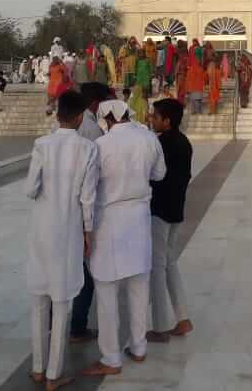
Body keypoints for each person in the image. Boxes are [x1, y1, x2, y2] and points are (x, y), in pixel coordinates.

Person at [83, 100, 166, 377]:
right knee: (138, 284)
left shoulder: (101, 146)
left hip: (109, 220)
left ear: (107, 118)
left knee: (107, 290)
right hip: (139, 217)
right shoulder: (149, 138)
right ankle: (139, 347)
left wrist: (85, 226)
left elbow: (90, 188)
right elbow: (160, 174)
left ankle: (111, 357)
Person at [26, 90, 99, 389]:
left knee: (39, 300)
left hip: (41, 229)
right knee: (62, 300)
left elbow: (30, 188)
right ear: (80, 116)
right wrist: (88, 232)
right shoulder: (87, 149)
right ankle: (54, 375)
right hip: (68, 229)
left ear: (57, 115)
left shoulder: (41, 144)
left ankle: (38, 368)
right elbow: (87, 197)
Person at [146, 98, 194, 343]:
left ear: (167, 121)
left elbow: (153, 176)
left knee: (157, 266)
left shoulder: (159, 144)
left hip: (159, 211)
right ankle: (182, 317)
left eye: (155, 116)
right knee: (169, 262)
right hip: (176, 209)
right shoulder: (184, 142)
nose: (152, 119)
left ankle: (160, 326)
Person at [69, 82, 113, 343]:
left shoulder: (60, 132)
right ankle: (77, 324)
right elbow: (94, 176)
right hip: (81, 208)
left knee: (69, 266)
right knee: (86, 271)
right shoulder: (92, 130)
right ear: (95, 103)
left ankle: (59, 319)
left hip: (62, 210)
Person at [185, 48, 206, 114]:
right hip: (197, 87)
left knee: (194, 101)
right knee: (197, 101)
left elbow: (188, 79)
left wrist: (187, 88)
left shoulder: (192, 69)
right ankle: (198, 112)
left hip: (194, 88)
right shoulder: (199, 68)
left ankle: (195, 112)